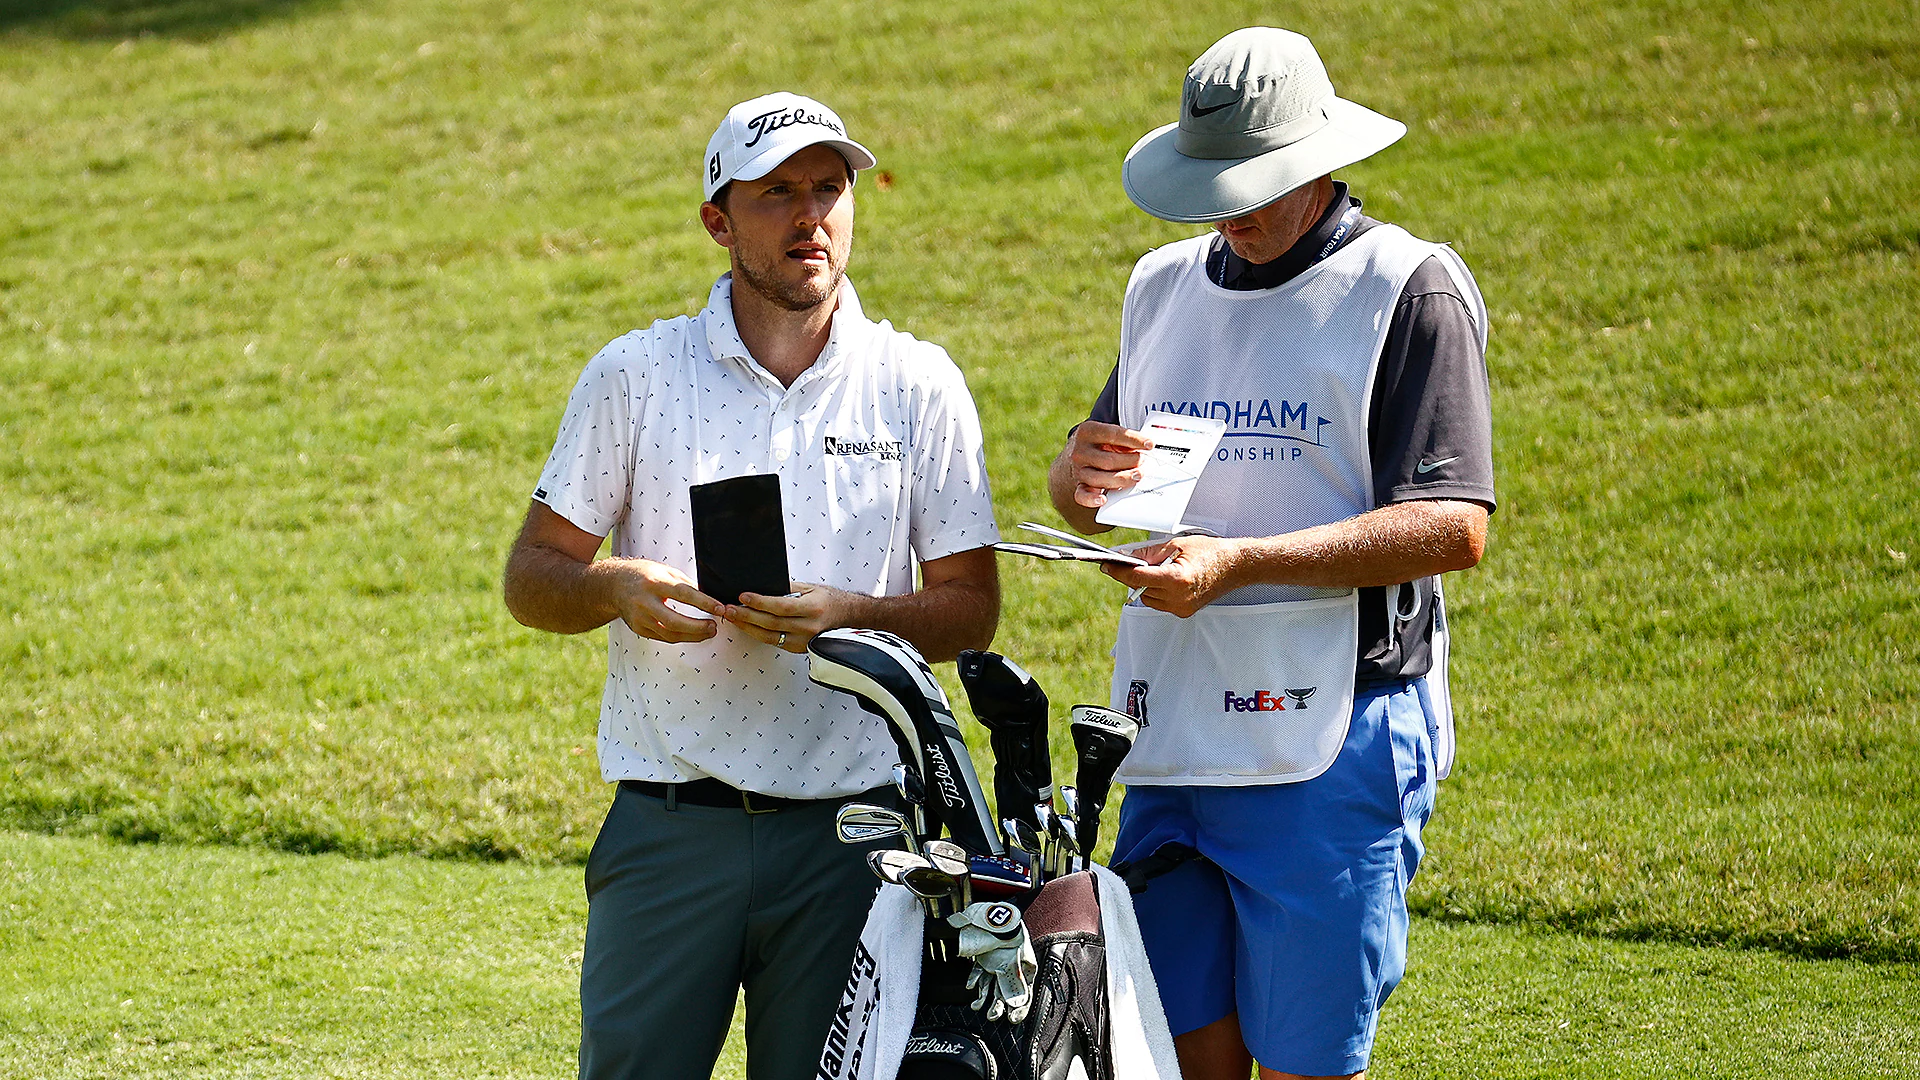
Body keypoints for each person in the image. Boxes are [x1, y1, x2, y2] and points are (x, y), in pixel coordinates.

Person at [503, 92, 1002, 1080]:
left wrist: (854, 617)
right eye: (777, 194)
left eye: (830, 188)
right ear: (718, 223)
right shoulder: (636, 375)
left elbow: (969, 610)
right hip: (670, 828)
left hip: (852, 838)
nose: (811, 214)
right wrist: (617, 588)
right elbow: (532, 576)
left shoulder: (917, 382)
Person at [1048, 28, 1495, 1080]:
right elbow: (1103, 485)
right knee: (1172, 1056)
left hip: (1332, 740)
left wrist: (1236, 564)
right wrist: (1075, 480)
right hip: (1167, 732)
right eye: (1215, 184)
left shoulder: (1409, 287)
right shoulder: (1159, 286)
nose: (1231, 208)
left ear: (1322, 163)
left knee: (1305, 1063)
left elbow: (1452, 524)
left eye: (1256, 183)